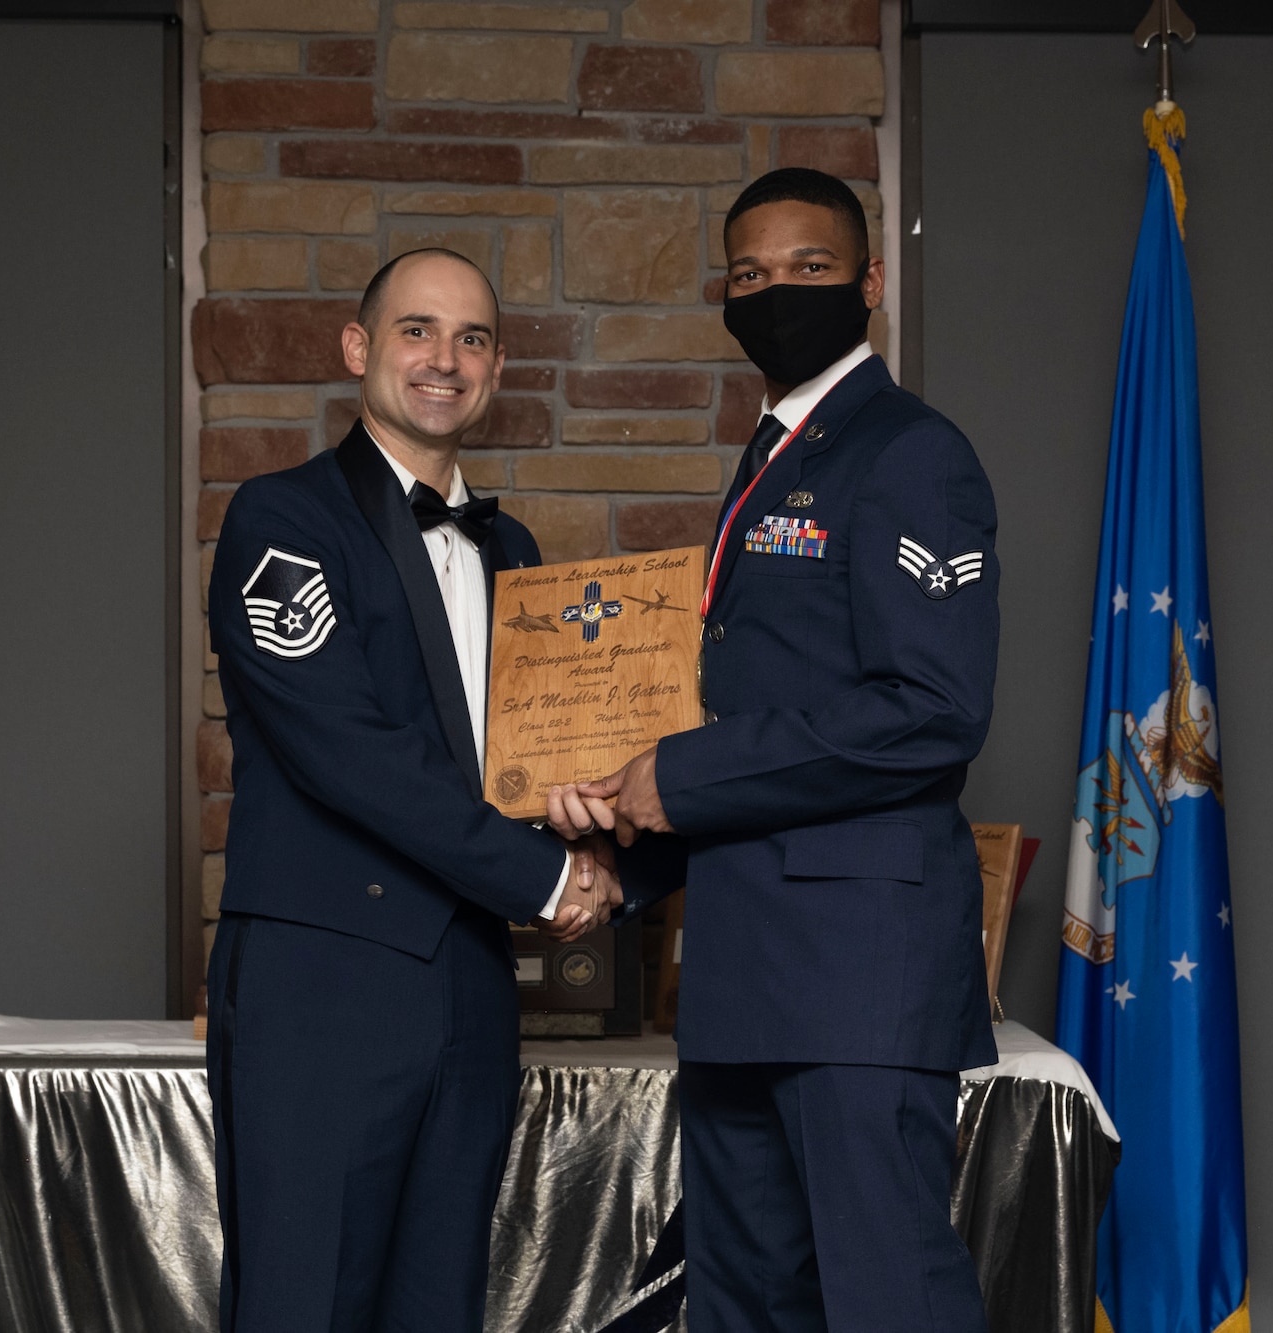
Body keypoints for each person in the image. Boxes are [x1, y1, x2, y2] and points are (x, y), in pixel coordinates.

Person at [550, 167, 999, 1332]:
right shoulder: (769, 457)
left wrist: (677, 779)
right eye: (749, 273)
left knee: (884, 1299)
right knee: (744, 1304)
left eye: (808, 268)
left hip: (857, 973)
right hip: (744, 968)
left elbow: (930, 708)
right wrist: (621, 857)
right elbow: (754, 716)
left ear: (870, 281)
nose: (776, 292)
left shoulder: (909, 453)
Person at [204, 248, 621, 1333]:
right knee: (305, 1304)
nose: (445, 360)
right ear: (358, 350)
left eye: (472, 338)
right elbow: (347, 752)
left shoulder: (515, 552)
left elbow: (522, 765)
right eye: (416, 330)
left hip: (471, 986)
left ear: (495, 368)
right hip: (323, 986)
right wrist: (546, 875)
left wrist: (599, 826)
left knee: (437, 1307)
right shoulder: (279, 520)